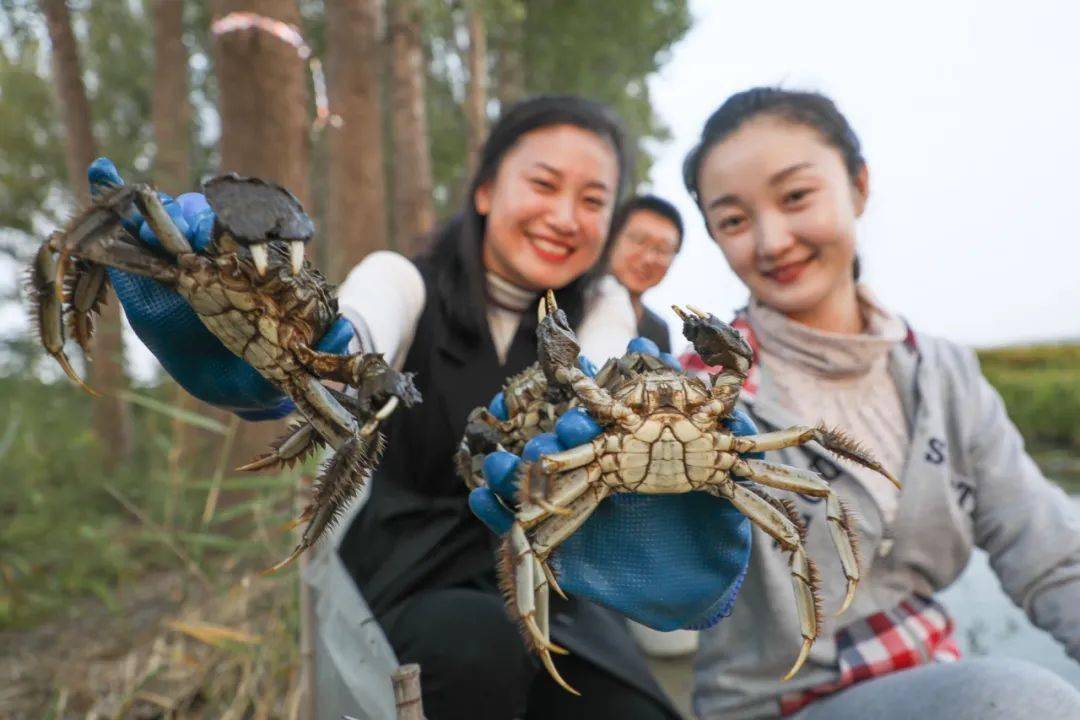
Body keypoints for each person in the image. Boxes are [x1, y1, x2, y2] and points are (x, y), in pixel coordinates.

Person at [86, 95, 755, 720]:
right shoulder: (404, 279)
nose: (564, 217)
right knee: (474, 647)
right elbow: (356, 334)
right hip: (414, 571)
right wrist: (292, 362)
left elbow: (606, 365)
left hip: (561, 578)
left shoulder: (608, 310)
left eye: (593, 201)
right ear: (486, 189)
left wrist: (639, 457)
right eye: (544, 185)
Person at [678, 87, 1080, 719]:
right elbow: (662, 566)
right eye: (733, 221)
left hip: (935, 680)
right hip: (770, 705)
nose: (772, 240)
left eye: (796, 196)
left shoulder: (945, 375)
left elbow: (1049, 553)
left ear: (859, 186)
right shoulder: (691, 393)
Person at [607, 194, 684, 352]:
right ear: (612, 237)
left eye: (663, 249)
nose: (649, 258)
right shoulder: (571, 300)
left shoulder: (658, 332)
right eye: (639, 240)